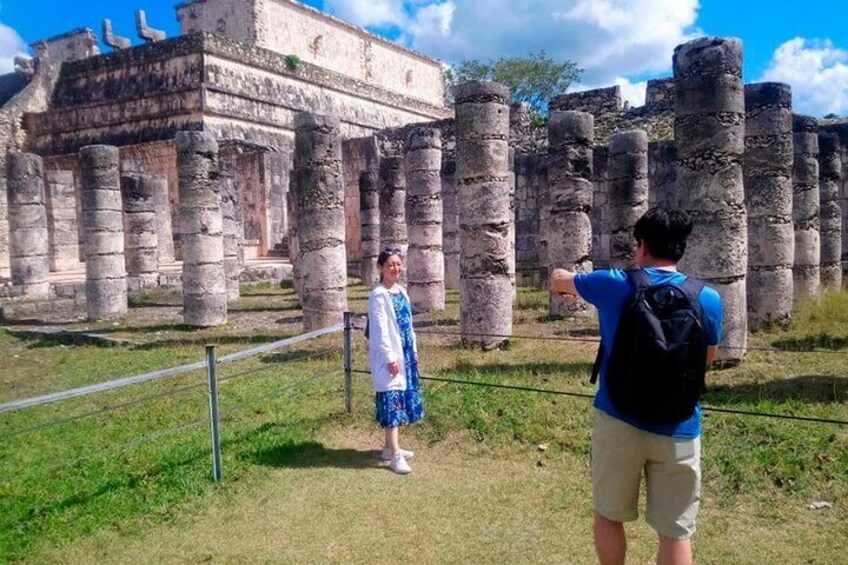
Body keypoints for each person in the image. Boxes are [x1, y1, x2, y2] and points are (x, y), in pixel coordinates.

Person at [550, 206, 723, 565]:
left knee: (609, 514)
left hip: (618, 418)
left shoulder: (612, 283)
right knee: (676, 531)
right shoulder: (708, 299)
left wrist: (570, 284)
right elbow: (704, 363)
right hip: (680, 426)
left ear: (641, 244)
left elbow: (558, 280)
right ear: (681, 248)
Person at [367, 248, 424, 475]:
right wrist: (390, 357)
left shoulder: (401, 292)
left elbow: (408, 324)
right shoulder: (378, 295)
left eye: (399, 264)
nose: (396, 268)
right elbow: (380, 330)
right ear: (381, 267)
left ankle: (389, 448)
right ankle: (396, 455)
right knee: (392, 398)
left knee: (400, 395)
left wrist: (414, 350)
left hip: (406, 351)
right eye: (391, 264)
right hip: (390, 354)